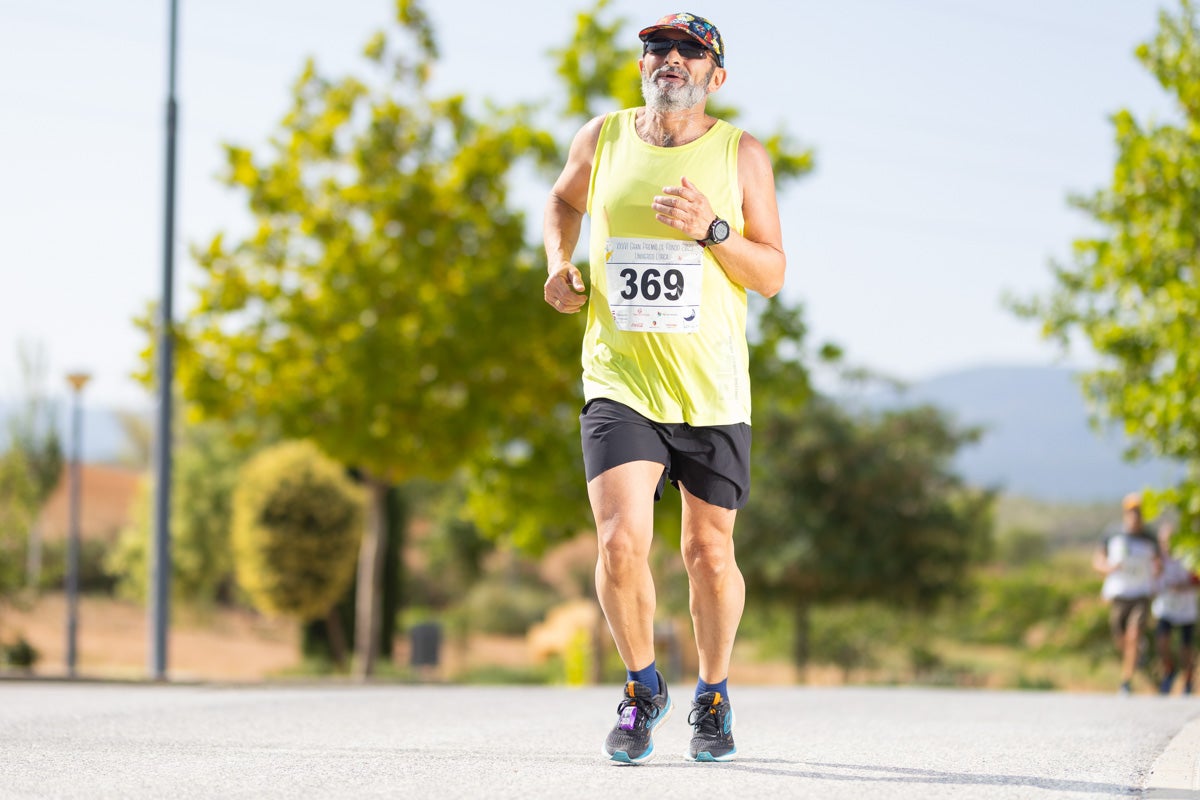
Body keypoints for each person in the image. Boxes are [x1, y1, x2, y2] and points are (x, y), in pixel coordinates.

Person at [542, 11, 785, 764]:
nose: (669, 58)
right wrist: (558, 262)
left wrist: (714, 230)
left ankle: (712, 693)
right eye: (656, 47)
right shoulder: (603, 136)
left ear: (716, 74)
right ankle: (643, 686)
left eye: (689, 50)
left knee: (709, 554)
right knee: (619, 543)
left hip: (710, 387)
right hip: (620, 379)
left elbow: (772, 274)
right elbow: (563, 201)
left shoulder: (742, 154)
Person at [1092, 492, 1161, 695]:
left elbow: (1159, 563)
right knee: (1120, 638)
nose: (1135, 515)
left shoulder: (1150, 538)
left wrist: (1157, 573)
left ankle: (1126, 680)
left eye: (1138, 512)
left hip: (1140, 594)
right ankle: (1137, 654)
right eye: (1132, 511)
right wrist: (1107, 568)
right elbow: (1097, 560)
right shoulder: (1113, 534)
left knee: (1133, 634)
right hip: (1119, 594)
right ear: (1125, 513)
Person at [1152, 520, 1198, 695]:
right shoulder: (1158, 561)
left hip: (1186, 610)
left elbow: (1197, 581)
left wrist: (1184, 587)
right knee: (1162, 642)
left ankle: (1188, 680)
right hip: (1166, 608)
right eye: (1163, 541)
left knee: (1186, 648)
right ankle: (1169, 671)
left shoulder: (1188, 559)